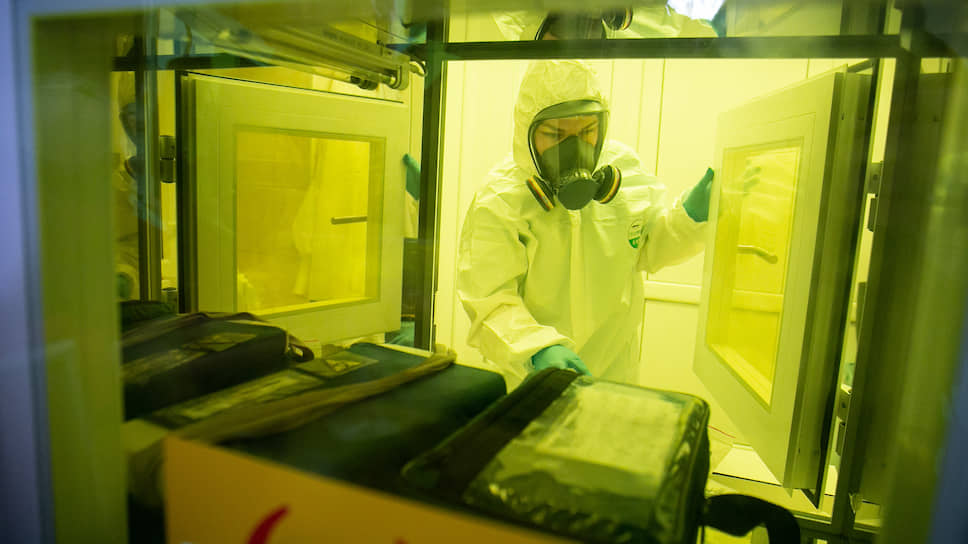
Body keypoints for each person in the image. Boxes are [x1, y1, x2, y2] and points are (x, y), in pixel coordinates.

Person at [457, 60, 713, 389]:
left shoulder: (625, 169)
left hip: (615, 374)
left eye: (587, 131)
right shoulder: (501, 198)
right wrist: (536, 349)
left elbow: (649, 249)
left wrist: (691, 217)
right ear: (526, 132)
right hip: (531, 379)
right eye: (556, 134)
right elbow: (488, 301)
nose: (575, 149)